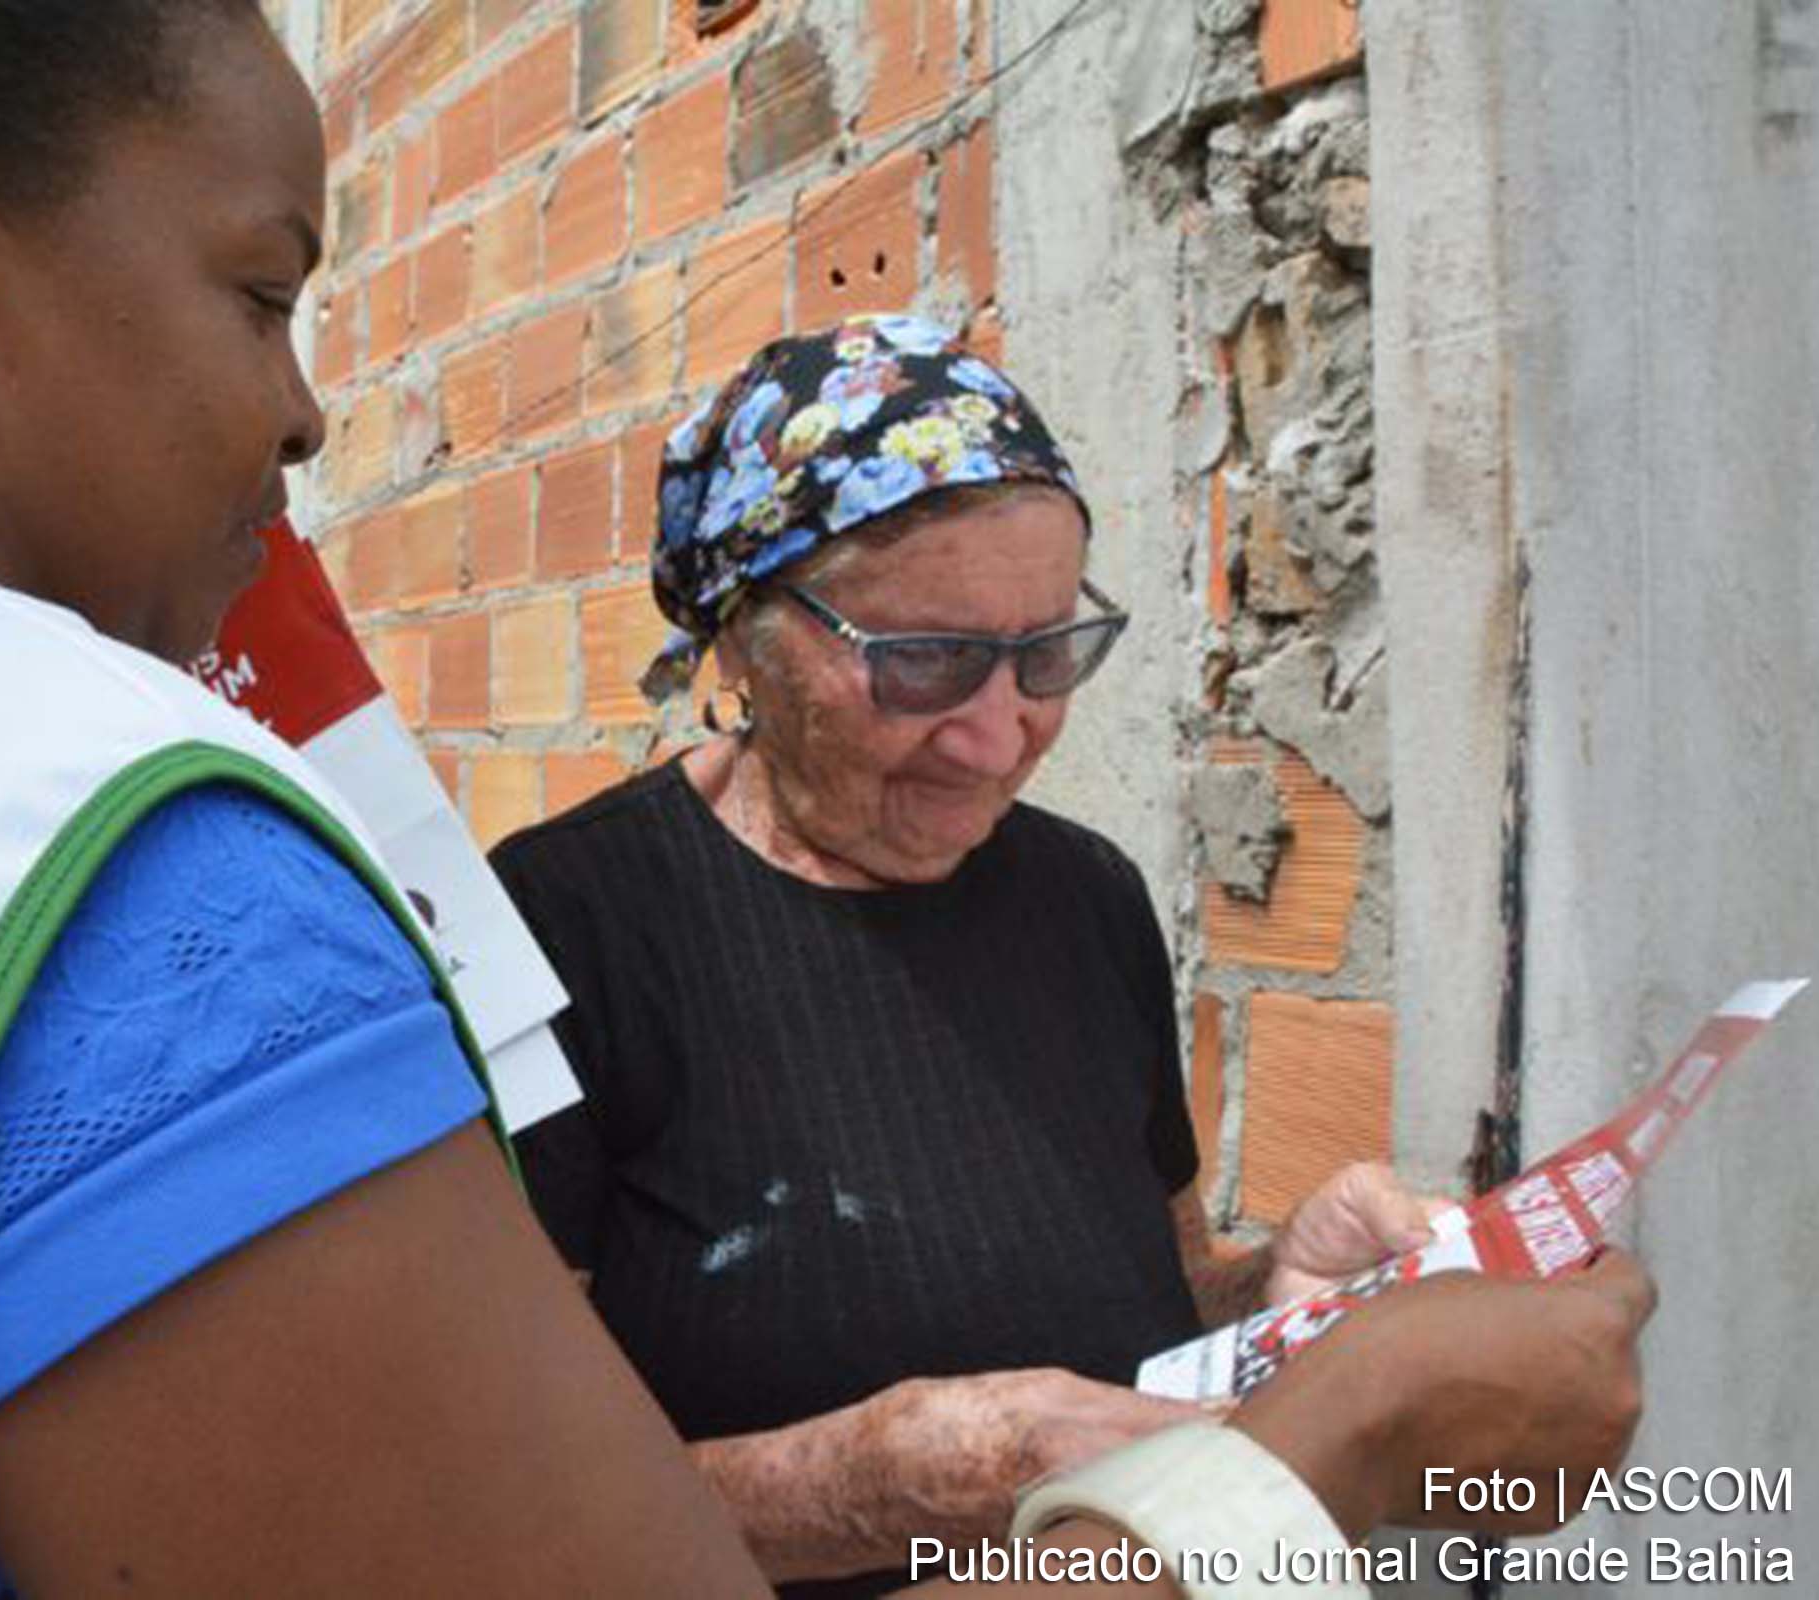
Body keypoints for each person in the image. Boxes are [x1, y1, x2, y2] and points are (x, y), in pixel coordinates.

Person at [0, 3, 1651, 1596]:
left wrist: (1299, 1311)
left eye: (1052, 652)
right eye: (260, 294)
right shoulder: (113, 866)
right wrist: (1326, 1461)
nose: (302, 418)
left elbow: (1159, 1275)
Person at [490, 316, 1477, 1594]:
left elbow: (1158, 1305)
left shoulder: (1087, 899)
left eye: (1048, 651)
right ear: (744, 636)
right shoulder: (563, 931)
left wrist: (1279, 1301)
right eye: (925, 663)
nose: (1000, 737)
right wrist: (865, 1484)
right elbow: (496, 1497)